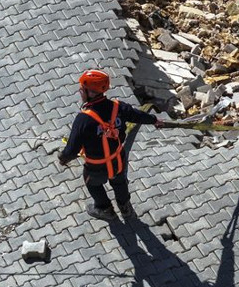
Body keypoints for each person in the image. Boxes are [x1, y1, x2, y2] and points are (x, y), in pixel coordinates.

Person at [58, 69, 163, 221]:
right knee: (119, 182)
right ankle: (125, 207)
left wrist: (63, 158)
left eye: (82, 89)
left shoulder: (83, 119)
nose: (80, 92)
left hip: (96, 166)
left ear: (91, 92)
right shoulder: (117, 107)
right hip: (117, 160)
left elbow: (72, 149)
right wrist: (154, 120)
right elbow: (137, 115)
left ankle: (104, 208)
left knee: (93, 185)